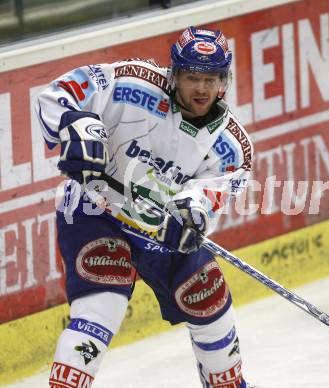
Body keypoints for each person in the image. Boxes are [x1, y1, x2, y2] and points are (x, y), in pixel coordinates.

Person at [36, 26, 255, 387]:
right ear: (174, 73)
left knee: (208, 299)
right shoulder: (130, 82)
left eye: (211, 79)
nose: (202, 89)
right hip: (96, 212)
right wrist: (76, 124)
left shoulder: (233, 145)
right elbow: (57, 94)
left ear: (224, 81)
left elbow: (208, 195)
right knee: (101, 310)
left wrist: (191, 215)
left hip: (159, 230)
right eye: (192, 77)